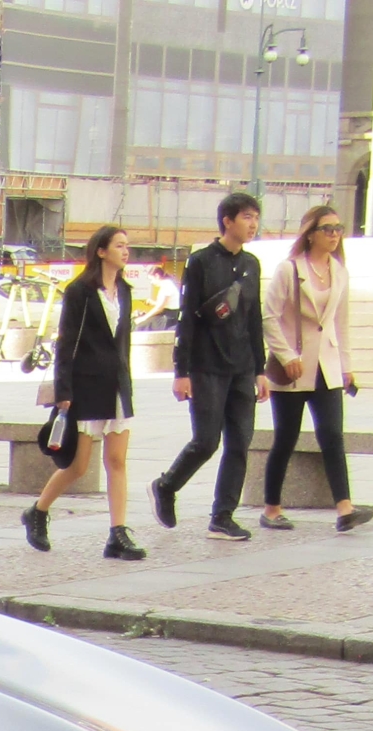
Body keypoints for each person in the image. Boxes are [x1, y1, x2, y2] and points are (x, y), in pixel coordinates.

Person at [149, 192, 269, 542]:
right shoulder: (200, 262)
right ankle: (167, 486)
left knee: (239, 442)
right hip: (206, 366)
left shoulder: (252, 264)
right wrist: (181, 372)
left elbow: (254, 318)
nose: (253, 224)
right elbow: (187, 319)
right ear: (227, 221)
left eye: (256, 217)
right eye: (246, 217)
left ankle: (222, 516)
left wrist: (260, 369)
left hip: (242, 367)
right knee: (205, 441)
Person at [22, 225, 146, 561]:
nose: (126, 250)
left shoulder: (125, 290)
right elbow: (66, 343)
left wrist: (127, 381)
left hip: (117, 385)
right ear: (101, 251)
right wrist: (64, 391)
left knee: (117, 461)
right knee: (78, 467)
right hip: (86, 386)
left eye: (128, 245)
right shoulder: (79, 291)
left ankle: (117, 533)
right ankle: (38, 511)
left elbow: (124, 343)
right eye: (119, 245)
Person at [259, 204, 373, 534]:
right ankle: (271, 508)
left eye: (339, 228)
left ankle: (344, 508)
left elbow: (341, 322)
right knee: (286, 437)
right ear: (311, 234)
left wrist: (347, 367)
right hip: (294, 366)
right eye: (328, 228)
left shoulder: (339, 271)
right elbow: (269, 317)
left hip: (328, 365)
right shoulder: (289, 269)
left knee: (333, 435)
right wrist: (284, 356)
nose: (335, 234)